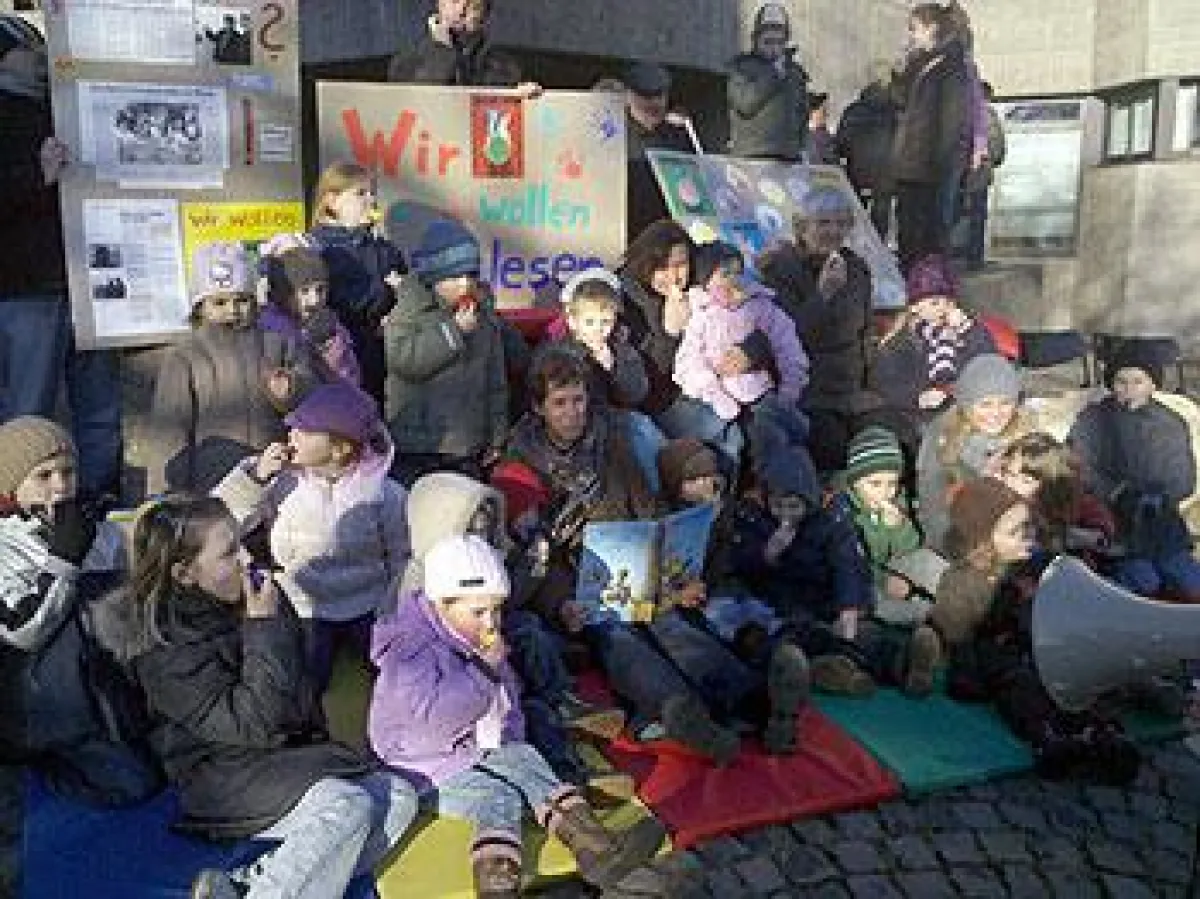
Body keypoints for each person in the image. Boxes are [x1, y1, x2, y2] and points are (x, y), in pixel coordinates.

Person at [109, 495, 419, 898]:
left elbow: (298, 691)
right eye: (227, 554)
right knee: (346, 807)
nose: (246, 559)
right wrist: (263, 628)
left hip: (280, 753)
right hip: (219, 772)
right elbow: (254, 723)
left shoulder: (256, 597)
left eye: (242, 543)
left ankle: (253, 885)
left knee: (398, 797)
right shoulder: (162, 647)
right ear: (185, 573)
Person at [369, 534, 666, 897]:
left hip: (468, 749)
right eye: (478, 612)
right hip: (421, 766)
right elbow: (432, 724)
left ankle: (597, 849)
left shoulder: (474, 638)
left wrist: (507, 738)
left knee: (524, 761)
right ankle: (500, 886)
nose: (489, 622)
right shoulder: (412, 653)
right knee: (498, 798)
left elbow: (507, 698)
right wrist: (484, 674)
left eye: (495, 610)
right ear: (440, 605)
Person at [404, 466, 634, 802]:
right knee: (526, 699)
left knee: (533, 696)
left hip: (491, 659)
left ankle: (569, 753)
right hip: (463, 688)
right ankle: (567, 770)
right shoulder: (421, 586)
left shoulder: (495, 553)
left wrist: (536, 571)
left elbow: (510, 598)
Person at [932, 478, 1140, 784]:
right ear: (982, 538)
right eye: (1016, 532)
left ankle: (1103, 730)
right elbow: (958, 625)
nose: (1028, 537)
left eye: (1028, 528)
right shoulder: (966, 577)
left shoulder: (1031, 564)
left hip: (1039, 641)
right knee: (1021, 686)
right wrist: (1007, 601)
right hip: (998, 651)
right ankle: (1047, 739)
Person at [0, 416, 160, 806]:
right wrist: (64, 559)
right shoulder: (5, 547)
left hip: (104, 691)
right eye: (43, 476)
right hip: (38, 703)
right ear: (11, 489)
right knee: (126, 787)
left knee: (154, 776)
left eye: (68, 472)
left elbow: (171, 543)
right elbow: (23, 634)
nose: (60, 486)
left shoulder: (97, 531)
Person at [213, 381, 409, 693]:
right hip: (304, 604)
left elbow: (401, 554)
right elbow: (220, 522)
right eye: (291, 428)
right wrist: (255, 478)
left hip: (367, 604)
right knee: (303, 682)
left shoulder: (383, 494)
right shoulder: (280, 484)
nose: (290, 436)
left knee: (390, 675)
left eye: (304, 431)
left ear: (340, 447)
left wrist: (391, 605)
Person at [0, 16, 122, 506]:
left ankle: (94, 499)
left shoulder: (67, 106)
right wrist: (35, 176)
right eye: (30, 49)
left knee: (100, 406)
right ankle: (18, 506)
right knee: (28, 411)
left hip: (90, 282)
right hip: (27, 289)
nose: (41, 58)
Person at [147, 242, 322, 495]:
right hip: (212, 480)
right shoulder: (185, 355)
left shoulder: (278, 343)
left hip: (276, 469)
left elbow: (313, 393)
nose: (232, 311)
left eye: (242, 300)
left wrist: (292, 388)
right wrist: (166, 491)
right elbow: (170, 431)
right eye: (219, 303)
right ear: (200, 307)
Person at [757, 187, 892, 469]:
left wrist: (871, 386)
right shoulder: (781, 270)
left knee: (892, 439)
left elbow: (865, 333)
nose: (833, 231)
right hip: (810, 391)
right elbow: (788, 337)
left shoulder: (856, 268)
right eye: (824, 223)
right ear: (802, 227)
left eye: (841, 223)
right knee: (833, 448)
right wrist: (822, 296)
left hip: (851, 388)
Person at [1068, 345, 1200, 602]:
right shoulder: (1093, 420)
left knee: (1188, 580)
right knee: (1143, 583)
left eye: (1138, 381)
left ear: (1153, 385)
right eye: (1121, 381)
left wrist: (1161, 495)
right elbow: (1078, 466)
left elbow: (1184, 477)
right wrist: (1116, 492)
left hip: (1162, 523)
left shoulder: (1169, 424)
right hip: (1114, 524)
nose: (1129, 389)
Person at [384, 219, 509, 486]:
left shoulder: (482, 316)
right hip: (420, 444)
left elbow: (495, 382)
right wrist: (453, 333)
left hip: (466, 444)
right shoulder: (410, 310)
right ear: (433, 277)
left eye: (470, 276)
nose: (464, 285)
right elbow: (404, 360)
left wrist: (497, 435)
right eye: (453, 277)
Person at [673, 241, 807, 465]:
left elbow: (787, 343)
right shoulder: (701, 314)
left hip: (757, 390)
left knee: (776, 432)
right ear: (706, 280)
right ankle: (728, 490)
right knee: (730, 442)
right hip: (717, 395)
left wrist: (791, 385)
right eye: (724, 274)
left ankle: (786, 493)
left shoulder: (759, 306)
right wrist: (713, 393)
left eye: (738, 273)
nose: (732, 281)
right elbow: (690, 362)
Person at [308, 161, 406, 409]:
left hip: (385, 356)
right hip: (345, 357)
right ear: (332, 201)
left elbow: (408, 285)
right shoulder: (320, 248)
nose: (371, 201)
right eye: (360, 194)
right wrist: (385, 294)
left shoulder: (381, 247)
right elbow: (338, 301)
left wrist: (401, 299)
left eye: (372, 193)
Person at [917, 353, 1032, 552]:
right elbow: (932, 508)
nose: (996, 414)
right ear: (967, 405)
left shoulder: (1026, 436)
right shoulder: (942, 439)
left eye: (1005, 403)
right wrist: (960, 551)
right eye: (985, 404)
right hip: (964, 543)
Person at [871, 254, 997, 435]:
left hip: (961, 413)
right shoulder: (902, 340)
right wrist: (918, 397)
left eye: (949, 303)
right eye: (935, 303)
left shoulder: (967, 333)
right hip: (913, 419)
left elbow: (989, 367)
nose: (943, 309)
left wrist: (968, 331)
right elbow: (887, 384)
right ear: (915, 306)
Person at [891, 3, 972, 270]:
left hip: (928, 168)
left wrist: (938, 165)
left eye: (915, 30)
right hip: (911, 164)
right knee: (908, 233)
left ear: (931, 28)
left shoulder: (951, 67)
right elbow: (901, 102)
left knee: (927, 236)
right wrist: (901, 73)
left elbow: (950, 122)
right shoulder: (922, 64)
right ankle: (911, 279)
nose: (911, 36)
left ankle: (929, 287)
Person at [831, 427, 930, 624]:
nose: (886, 492)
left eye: (891, 483)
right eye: (875, 484)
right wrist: (884, 580)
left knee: (928, 563)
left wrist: (900, 526)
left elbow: (910, 548)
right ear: (855, 481)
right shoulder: (841, 512)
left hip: (886, 565)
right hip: (857, 581)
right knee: (889, 610)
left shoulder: (897, 499)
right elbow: (847, 564)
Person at [386, 0, 538, 96]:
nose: (461, 11)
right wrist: (442, 48)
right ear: (438, 4)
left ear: (485, 14)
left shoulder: (504, 67)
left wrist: (521, 102)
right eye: (454, 1)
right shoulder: (406, 62)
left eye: (472, 4)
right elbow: (423, 107)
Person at [260, 245, 362, 386]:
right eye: (304, 291)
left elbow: (349, 371)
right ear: (285, 293)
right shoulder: (274, 330)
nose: (315, 299)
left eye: (321, 289)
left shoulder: (330, 321)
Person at [553, 268, 648, 410]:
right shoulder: (557, 351)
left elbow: (636, 395)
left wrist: (613, 368)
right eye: (589, 322)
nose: (598, 329)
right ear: (573, 321)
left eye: (606, 321)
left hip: (613, 417)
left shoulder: (623, 352)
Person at [726, 2, 809, 162]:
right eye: (768, 42)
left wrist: (802, 147)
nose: (774, 48)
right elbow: (745, 104)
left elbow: (802, 115)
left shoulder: (794, 73)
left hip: (789, 157)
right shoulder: (742, 68)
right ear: (756, 41)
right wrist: (773, 75)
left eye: (779, 42)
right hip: (754, 154)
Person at [624, 63, 694, 239]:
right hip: (626, 231)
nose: (655, 103)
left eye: (660, 96)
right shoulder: (614, 135)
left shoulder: (680, 136)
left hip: (667, 235)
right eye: (646, 97)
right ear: (628, 96)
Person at [835, 63, 899, 241]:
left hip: (857, 171)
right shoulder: (897, 112)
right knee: (880, 217)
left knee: (856, 216)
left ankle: (857, 250)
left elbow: (841, 143)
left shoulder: (854, 110)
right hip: (887, 173)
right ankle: (877, 253)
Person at [960, 81, 1005, 269]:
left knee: (955, 213)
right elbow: (996, 146)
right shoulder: (987, 115)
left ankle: (953, 253)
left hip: (958, 170)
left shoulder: (961, 113)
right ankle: (974, 257)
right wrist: (994, 159)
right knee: (977, 215)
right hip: (978, 172)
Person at [805, 92, 839, 165]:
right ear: (811, 114)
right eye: (823, 112)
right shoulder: (817, 138)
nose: (827, 115)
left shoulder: (823, 136)